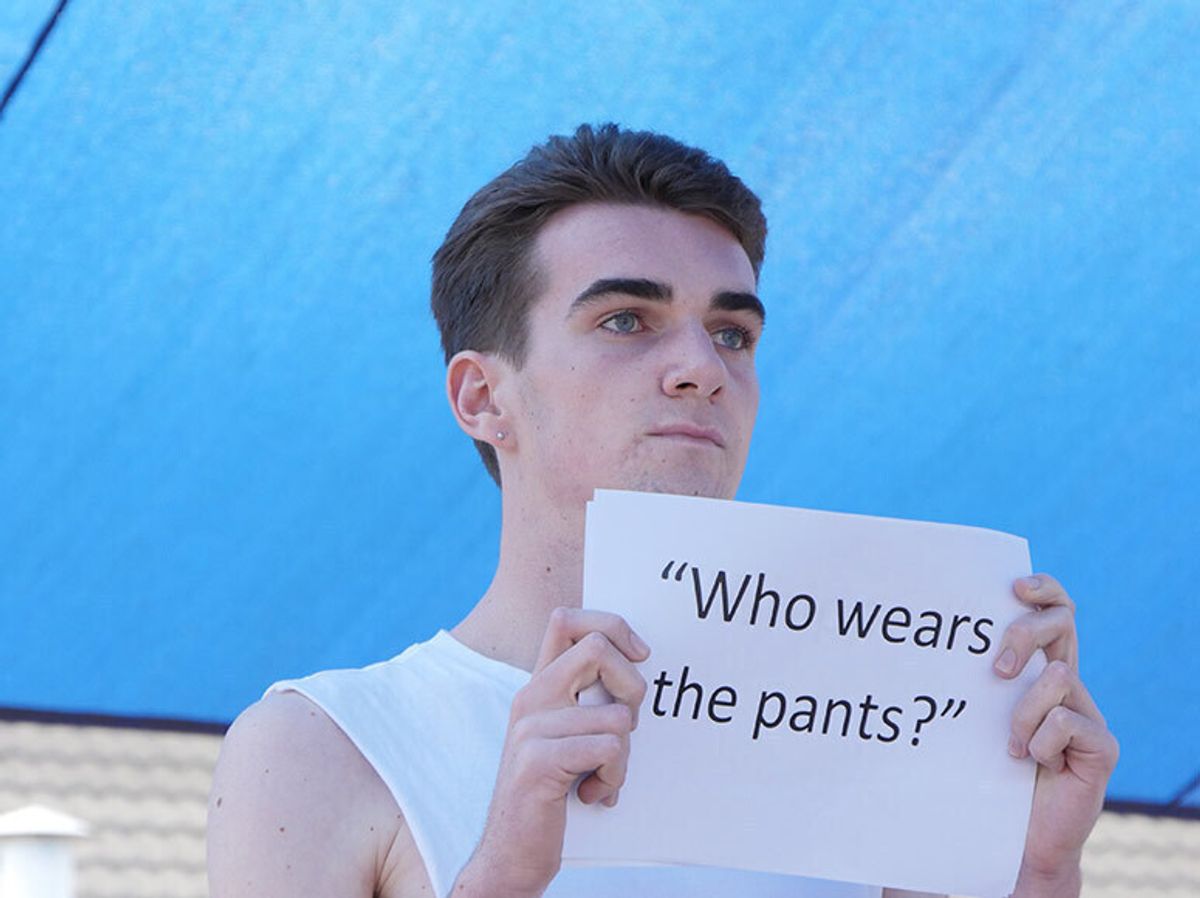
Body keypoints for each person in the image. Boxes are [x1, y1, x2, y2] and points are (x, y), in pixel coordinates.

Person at [206, 123, 1118, 898]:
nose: (702, 368)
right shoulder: (325, 746)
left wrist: (1034, 872)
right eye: (625, 321)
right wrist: (507, 868)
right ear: (483, 397)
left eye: (732, 333)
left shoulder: (873, 733)